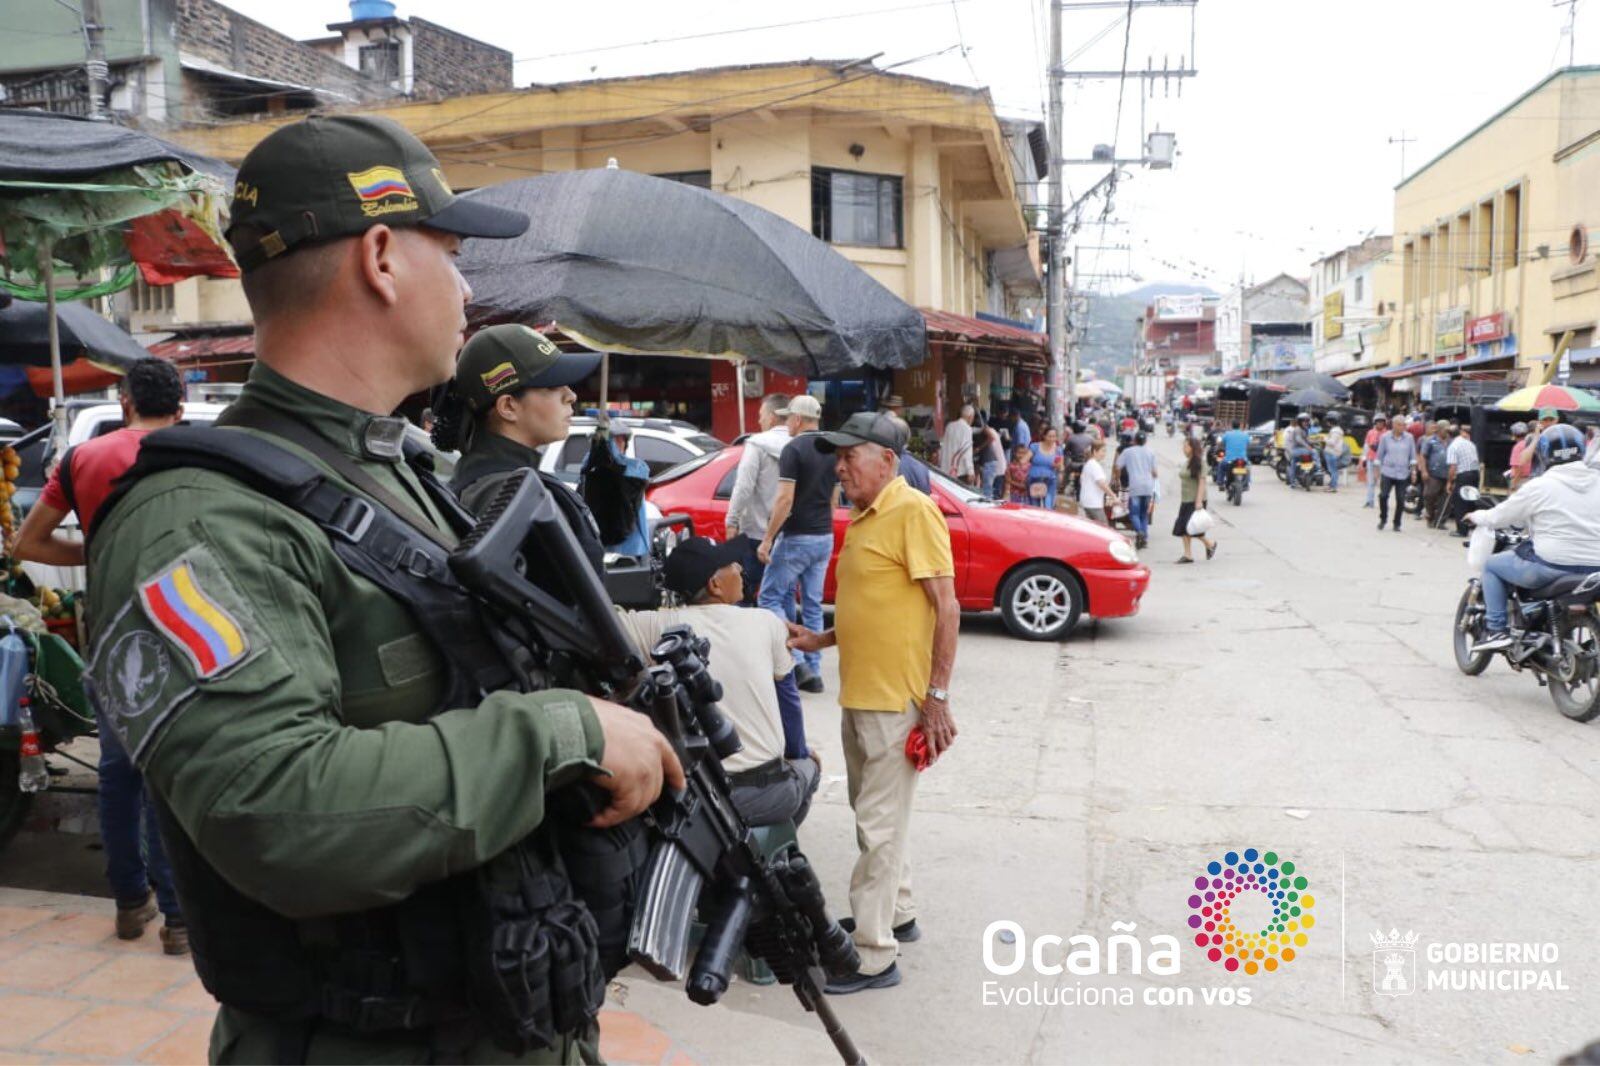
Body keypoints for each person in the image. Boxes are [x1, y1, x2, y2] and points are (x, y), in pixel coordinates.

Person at [82, 115, 682, 1063]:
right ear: (381, 258)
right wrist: (561, 732)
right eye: (453, 255)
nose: (468, 289)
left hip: (508, 1012)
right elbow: (270, 809)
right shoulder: (199, 518)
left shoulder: (399, 471)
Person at [12, 359, 189, 954]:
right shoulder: (197, 455)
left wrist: (100, 551)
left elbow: (27, 542)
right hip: (183, 630)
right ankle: (179, 918)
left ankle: (130, 903)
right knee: (167, 772)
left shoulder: (82, 460)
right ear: (180, 408)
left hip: (113, 629)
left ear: (123, 402)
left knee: (118, 771)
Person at [784, 412, 959, 995]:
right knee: (876, 816)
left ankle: (873, 954)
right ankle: (896, 913)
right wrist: (821, 640)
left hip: (894, 700)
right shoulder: (865, 516)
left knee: (878, 826)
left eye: (848, 456)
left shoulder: (912, 511)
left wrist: (936, 698)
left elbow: (947, 606)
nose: (839, 468)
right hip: (861, 693)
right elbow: (878, 607)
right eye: (836, 458)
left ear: (886, 460)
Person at [618, 538, 819, 827]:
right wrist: (798, 755)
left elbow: (604, 616)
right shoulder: (766, 622)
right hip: (765, 791)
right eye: (731, 565)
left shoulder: (655, 626)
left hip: (696, 800)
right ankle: (780, 840)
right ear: (715, 584)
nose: (739, 568)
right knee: (809, 765)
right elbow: (789, 704)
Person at [1468, 425, 1600, 650]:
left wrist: (1476, 516)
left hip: (1552, 566)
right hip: (1595, 568)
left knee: (1491, 565)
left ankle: (1496, 630)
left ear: (1544, 454)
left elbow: (1499, 516)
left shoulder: (1539, 486)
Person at [757, 394, 835, 693]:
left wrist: (767, 539)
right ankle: (814, 671)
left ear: (799, 419)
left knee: (769, 598)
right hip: (824, 536)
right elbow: (833, 500)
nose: (786, 422)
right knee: (813, 604)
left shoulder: (793, 449)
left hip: (797, 537)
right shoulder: (831, 448)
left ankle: (798, 662)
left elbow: (784, 500)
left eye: (788, 417)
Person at [725, 392, 791, 602]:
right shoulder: (799, 444)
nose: (759, 420)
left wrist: (732, 521)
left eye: (761, 415)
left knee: (745, 593)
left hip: (756, 532)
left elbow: (743, 487)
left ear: (772, 417)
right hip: (789, 533)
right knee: (784, 595)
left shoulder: (756, 444)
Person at [1173, 435, 1217, 563]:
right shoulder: (1187, 462)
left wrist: (1198, 501)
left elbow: (1202, 483)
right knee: (1183, 527)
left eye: (1186, 446)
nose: (1183, 448)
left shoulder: (1199, 463)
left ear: (1193, 447)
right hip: (1186, 499)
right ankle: (1188, 554)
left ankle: (1209, 544)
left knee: (1191, 527)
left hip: (1196, 500)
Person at [1115, 431, 1158, 549]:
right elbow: (1155, 473)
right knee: (1144, 514)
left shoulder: (1127, 452)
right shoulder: (1151, 452)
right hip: (1148, 487)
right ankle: (1144, 537)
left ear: (1134, 441)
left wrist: (1118, 479)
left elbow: (1118, 466)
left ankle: (1139, 532)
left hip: (1135, 486)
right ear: (1146, 441)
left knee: (1134, 513)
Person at [1375, 415, 1418, 532]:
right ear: (1393, 425)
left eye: (1404, 425)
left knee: (1400, 498)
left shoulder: (1409, 438)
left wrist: (1413, 471)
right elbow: (1379, 455)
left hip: (1403, 473)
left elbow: (1412, 457)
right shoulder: (1385, 437)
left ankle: (1397, 523)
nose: (1403, 427)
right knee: (1383, 496)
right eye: (1400, 425)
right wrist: (1377, 472)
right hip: (1387, 471)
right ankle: (1383, 518)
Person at [1445, 423, 1482, 536]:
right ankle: (1472, 526)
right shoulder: (1471, 444)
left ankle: (1461, 530)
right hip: (1475, 474)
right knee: (1471, 501)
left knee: (1460, 503)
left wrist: (1449, 482)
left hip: (1464, 475)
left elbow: (1453, 467)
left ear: (1449, 435)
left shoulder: (1453, 446)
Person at [1421, 421, 1454, 526]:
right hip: (1434, 474)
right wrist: (1424, 471)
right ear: (1439, 430)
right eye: (1445, 430)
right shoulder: (1430, 441)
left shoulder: (1452, 442)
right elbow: (1423, 456)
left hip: (1448, 475)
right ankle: (1430, 516)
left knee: (1446, 499)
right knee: (1429, 495)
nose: (1447, 432)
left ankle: (1440, 522)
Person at [1027, 426, 1065, 509]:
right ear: (1044, 436)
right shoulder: (1035, 447)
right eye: (1049, 436)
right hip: (1034, 479)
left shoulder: (1058, 450)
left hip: (1050, 480)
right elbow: (1024, 460)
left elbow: (1061, 467)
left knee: (1048, 505)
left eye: (1054, 436)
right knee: (1034, 506)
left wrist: (1059, 467)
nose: (1052, 439)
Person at [1078, 438, 1114, 525]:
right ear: (1095, 451)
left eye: (1105, 451)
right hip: (1093, 503)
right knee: (1104, 527)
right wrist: (1113, 495)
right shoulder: (1094, 465)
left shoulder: (1089, 464)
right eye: (1103, 451)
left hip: (1088, 501)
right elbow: (1102, 484)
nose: (1104, 454)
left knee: (1092, 527)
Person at [939, 404, 976, 486]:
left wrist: (940, 463)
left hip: (946, 469)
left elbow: (943, 447)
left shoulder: (949, 426)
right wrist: (970, 471)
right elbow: (967, 453)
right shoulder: (967, 429)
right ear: (970, 416)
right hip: (959, 472)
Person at [974, 413, 1005, 499]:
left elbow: (991, 438)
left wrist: (978, 448)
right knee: (994, 492)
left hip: (991, 463)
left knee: (988, 490)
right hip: (997, 464)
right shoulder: (992, 430)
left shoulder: (986, 430)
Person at [1285, 413, 1317, 488]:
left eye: (1307, 421)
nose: (1306, 423)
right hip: (1294, 450)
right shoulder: (1297, 429)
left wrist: (1315, 441)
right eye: (1304, 421)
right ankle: (1318, 468)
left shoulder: (1305, 429)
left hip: (1300, 449)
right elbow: (1299, 440)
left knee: (1295, 464)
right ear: (1300, 422)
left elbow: (1307, 439)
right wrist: (1308, 446)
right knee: (1313, 452)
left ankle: (1293, 482)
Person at [1363, 415, 1388, 507]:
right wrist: (1364, 458)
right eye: (1378, 422)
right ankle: (1369, 501)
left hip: (1382, 461)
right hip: (1371, 459)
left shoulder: (1387, 434)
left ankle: (1383, 501)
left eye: (1382, 422)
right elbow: (1366, 446)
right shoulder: (1370, 432)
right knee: (1371, 481)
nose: (1380, 424)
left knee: (1383, 482)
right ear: (1375, 423)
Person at [1320, 417, 1347, 492]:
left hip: (1332, 452)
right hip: (1332, 452)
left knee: (1333, 470)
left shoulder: (1335, 431)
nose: (1327, 423)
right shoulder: (1337, 430)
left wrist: (1324, 439)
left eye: (1328, 421)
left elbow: (1332, 442)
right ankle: (1331, 486)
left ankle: (1333, 487)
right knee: (1332, 470)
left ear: (1331, 422)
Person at [1508, 421, 1533, 490]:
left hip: (1521, 480)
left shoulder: (1518, 447)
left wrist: (1514, 483)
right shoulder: (1532, 444)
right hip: (1531, 479)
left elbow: (1519, 467)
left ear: (1514, 434)